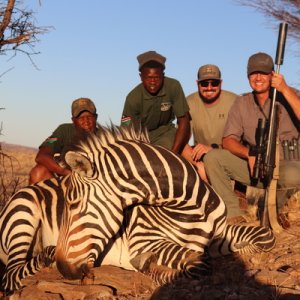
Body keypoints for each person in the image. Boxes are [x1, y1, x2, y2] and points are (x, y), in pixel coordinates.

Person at [203, 52, 300, 223]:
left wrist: (284, 89)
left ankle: (276, 207)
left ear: (272, 75)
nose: (258, 78)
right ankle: (233, 214)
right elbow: (228, 140)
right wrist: (249, 154)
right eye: (253, 73)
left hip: (287, 167)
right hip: (257, 168)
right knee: (213, 158)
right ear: (248, 76)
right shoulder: (242, 103)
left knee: (293, 174)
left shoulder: (290, 94)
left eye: (263, 73)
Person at [121, 50, 190, 154]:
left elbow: (184, 120)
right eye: (148, 78)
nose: (153, 82)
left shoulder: (173, 86)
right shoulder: (132, 98)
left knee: (190, 158)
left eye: (157, 77)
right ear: (140, 77)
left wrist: (174, 153)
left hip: (167, 134)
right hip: (142, 139)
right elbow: (125, 131)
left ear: (163, 75)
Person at [181, 64, 237, 182]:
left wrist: (212, 149)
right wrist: (198, 165)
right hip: (199, 157)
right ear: (197, 84)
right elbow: (181, 140)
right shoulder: (189, 102)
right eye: (205, 84)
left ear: (221, 83)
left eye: (214, 83)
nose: (209, 88)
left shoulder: (235, 101)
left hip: (229, 155)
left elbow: (242, 142)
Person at [29, 97, 98, 184]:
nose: (86, 121)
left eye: (89, 117)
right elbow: (41, 156)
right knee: (39, 172)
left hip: (95, 182)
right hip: (68, 179)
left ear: (96, 117)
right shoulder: (63, 130)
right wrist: (66, 173)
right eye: (81, 118)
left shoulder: (105, 136)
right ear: (73, 120)